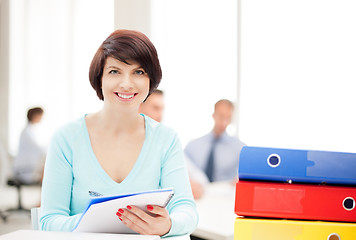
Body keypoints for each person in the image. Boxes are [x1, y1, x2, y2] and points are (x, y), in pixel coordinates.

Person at [40, 30, 198, 237]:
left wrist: (168, 225)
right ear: (100, 78)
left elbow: (187, 210)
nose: (126, 83)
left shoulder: (166, 139)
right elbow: (49, 221)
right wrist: (105, 220)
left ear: (151, 80)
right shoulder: (66, 138)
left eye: (139, 72)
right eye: (115, 71)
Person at [184, 99, 245, 186]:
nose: (224, 122)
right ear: (213, 115)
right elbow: (183, 169)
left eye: (228, 118)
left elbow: (244, 175)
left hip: (225, 196)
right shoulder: (192, 146)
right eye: (221, 116)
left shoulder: (240, 148)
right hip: (198, 195)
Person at [12, 107, 46, 184]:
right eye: (41, 116)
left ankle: (41, 195)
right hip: (25, 170)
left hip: (28, 167)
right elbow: (38, 149)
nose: (42, 118)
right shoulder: (26, 132)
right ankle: (42, 195)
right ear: (35, 116)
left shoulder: (30, 131)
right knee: (47, 173)